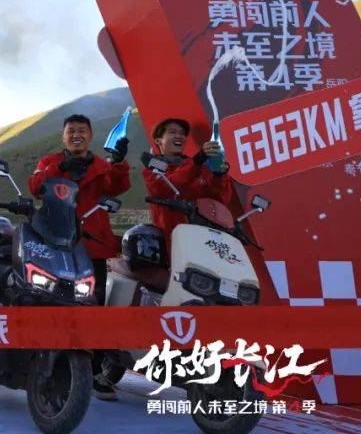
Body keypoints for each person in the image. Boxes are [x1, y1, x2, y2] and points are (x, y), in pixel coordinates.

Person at [28, 113, 130, 401]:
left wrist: (119, 162)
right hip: (55, 244)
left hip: (92, 246)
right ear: (63, 136)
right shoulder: (49, 161)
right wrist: (59, 168)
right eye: (71, 130)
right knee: (49, 301)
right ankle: (44, 364)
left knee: (92, 307)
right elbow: (35, 187)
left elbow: (119, 186)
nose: (76, 134)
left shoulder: (102, 165)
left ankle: (93, 372)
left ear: (91, 136)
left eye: (82, 130)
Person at [143, 117, 232, 252]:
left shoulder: (200, 166)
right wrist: (197, 161)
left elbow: (220, 199)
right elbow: (166, 188)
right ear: (158, 140)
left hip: (208, 241)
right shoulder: (152, 170)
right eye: (172, 132)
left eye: (182, 133)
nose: (179, 136)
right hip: (175, 241)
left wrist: (219, 175)